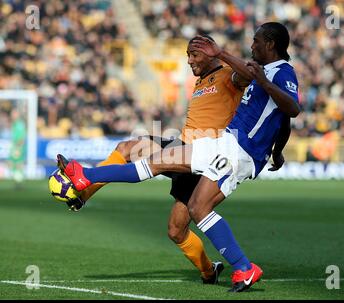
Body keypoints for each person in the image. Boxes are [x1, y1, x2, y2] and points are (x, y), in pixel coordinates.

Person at [57, 22, 301, 292]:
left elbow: (291, 109)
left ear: (270, 44)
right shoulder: (246, 76)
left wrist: (225, 56)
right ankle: (242, 268)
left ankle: (84, 177)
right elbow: (282, 119)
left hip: (237, 150)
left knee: (156, 165)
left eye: (256, 41)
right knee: (194, 211)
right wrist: (277, 152)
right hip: (223, 145)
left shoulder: (270, 73)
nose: (252, 46)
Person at [67, 34, 251, 284]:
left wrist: (220, 53)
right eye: (188, 55)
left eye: (194, 55)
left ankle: (209, 271)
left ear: (209, 54)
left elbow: (250, 76)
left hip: (205, 157)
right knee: (127, 147)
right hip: (184, 148)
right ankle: (83, 192)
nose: (189, 61)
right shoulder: (200, 81)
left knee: (176, 230)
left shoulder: (229, 74)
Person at [9, 109, 27, 187]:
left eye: (14, 113)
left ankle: (19, 180)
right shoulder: (15, 123)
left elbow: (21, 137)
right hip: (15, 146)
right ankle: (18, 180)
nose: (12, 115)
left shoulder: (19, 124)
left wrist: (18, 147)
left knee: (18, 163)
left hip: (18, 147)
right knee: (13, 163)